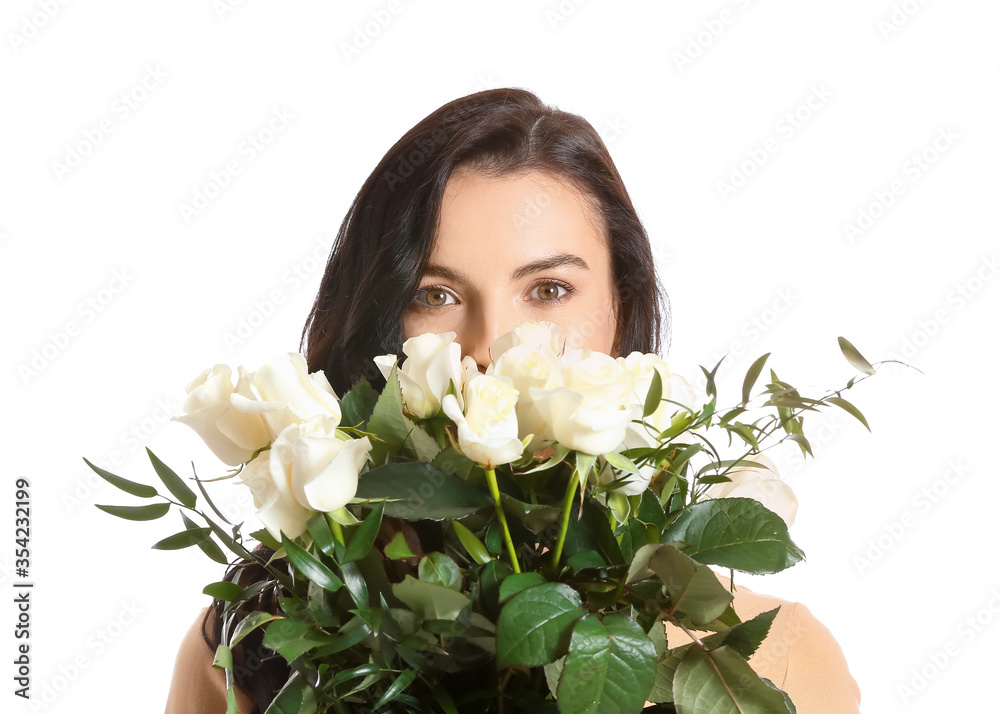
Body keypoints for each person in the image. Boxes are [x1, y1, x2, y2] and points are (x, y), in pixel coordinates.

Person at [164, 87, 861, 713]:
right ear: (379, 324)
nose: (490, 347)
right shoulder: (256, 650)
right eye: (433, 296)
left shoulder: (772, 663)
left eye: (549, 290)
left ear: (623, 307)